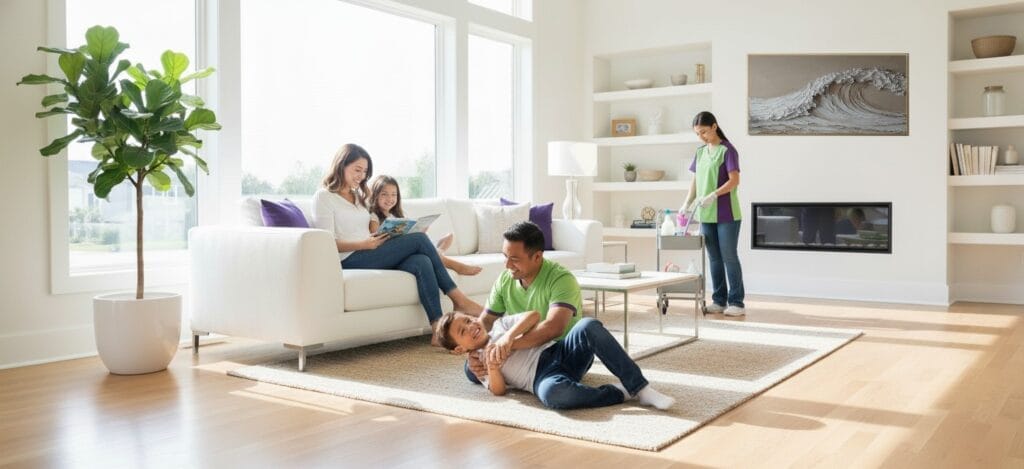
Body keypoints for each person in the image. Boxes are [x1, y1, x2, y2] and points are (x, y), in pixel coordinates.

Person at [311, 144, 482, 337]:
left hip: (371, 249)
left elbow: (370, 225)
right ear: (341, 165)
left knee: (422, 261)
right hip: (348, 258)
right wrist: (363, 244)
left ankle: (437, 329)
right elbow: (325, 242)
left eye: (365, 172)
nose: (361, 176)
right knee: (418, 239)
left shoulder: (359, 197)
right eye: (357, 170)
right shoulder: (324, 197)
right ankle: (459, 298)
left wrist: (387, 235)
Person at [435, 311, 675, 410]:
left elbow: (535, 315)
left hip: (560, 353)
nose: (471, 326)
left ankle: (640, 387)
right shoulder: (478, 362)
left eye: (468, 320)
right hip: (542, 378)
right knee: (554, 396)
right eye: (463, 331)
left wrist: (508, 338)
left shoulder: (500, 325)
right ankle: (620, 392)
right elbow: (498, 391)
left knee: (588, 325)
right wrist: (494, 368)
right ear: (458, 349)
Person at [464, 221, 581, 383]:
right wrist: (474, 351)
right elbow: (486, 320)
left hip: (557, 350)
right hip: (523, 349)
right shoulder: (505, 279)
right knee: (471, 369)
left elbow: (554, 328)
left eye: (514, 259)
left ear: (537, 256)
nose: (507, 265)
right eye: (505, 256)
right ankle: (523, 375)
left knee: (553, 392)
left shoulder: (561, 279)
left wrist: (505, 345)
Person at [681, 111, 746, 316]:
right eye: (698, 134)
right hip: (705, 215)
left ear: (714, 127)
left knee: (729, 257)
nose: (702, 137)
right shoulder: (700, 152)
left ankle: (737, 302)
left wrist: (714, 195)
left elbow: (734, 180)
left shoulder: (728, 151)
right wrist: (686, 203)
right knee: (714, 258)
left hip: (727, 214)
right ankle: (719, 301)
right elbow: (695, 181)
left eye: (704, 132)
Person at [367, 175, 482, 276]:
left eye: (394, 195)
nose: (390, 199)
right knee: (427, 250)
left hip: (413, 244)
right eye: (384, 194)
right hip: (395, 249)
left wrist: (418, 230)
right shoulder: (374, 216)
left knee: (448, 236)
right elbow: (376, 237)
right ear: (375, 195)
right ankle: (456, 265)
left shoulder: (396, 215)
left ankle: (439, 251)